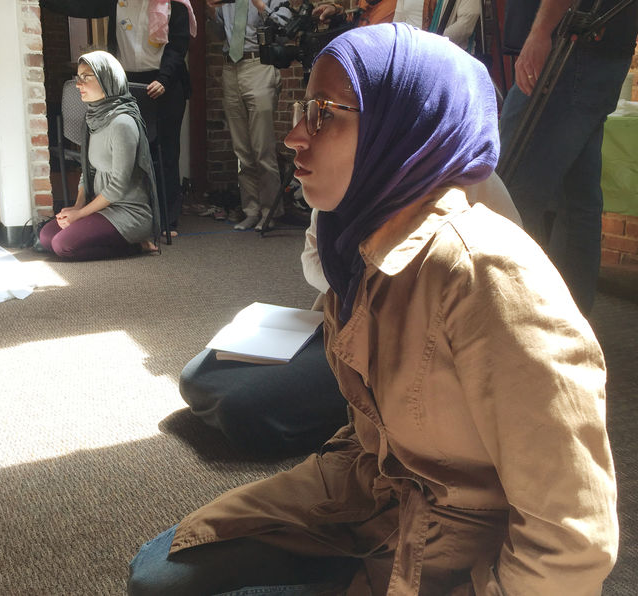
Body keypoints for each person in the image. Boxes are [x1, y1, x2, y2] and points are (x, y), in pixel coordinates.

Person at [128, 24, 617, 595]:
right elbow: (373, 429)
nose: (293, 137)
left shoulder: (487, 272)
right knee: (158, 575)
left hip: (461, 548)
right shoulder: (358, 237)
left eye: (323, 113)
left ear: (400, 123)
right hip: (374, 496)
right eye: (301, 110)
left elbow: (573, 538)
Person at [179, 172, 520, 459]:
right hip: (344, 320)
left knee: (240, 410)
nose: (295, 139)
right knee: (197, 375)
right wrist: (352, 279)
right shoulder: (342, 166)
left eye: (324, 113)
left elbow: (498, 286)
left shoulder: (463, 177)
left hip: (403, 350)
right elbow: (312, 259)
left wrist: (360, 279)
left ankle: (363, 419)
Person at [498, 0, 638, 315]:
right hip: (595, 41)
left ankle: (511, 334)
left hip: (572, 41)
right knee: (577, 205)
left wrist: (542, 29)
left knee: (508, 200)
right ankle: (567, 336)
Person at [39, 51, 161, 259]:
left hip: (127, 213)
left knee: (63, 245)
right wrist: (77, 206)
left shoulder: (123, 123)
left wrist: (80, 215)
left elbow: (118, 186)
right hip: (100, 207)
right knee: (47, 236)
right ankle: (100, 233)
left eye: (86, 77)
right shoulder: (94, 118)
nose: (78, 84)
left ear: (107, 80)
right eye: (78, 77)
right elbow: (89, 171)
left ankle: (137, 245)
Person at [205, 0, 291, 231]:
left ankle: (270, 211)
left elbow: (284, 27)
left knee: (263, 148)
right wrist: (211, 12)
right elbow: (218, 35)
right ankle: (251, 210)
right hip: (231, 69)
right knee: (241, 149)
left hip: (259, 65)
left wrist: (259, 5)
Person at [115, 0, 196, 237]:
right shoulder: (118, 3)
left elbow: (178, 47)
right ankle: (138, 214)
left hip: (165, 83)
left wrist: (164, 78)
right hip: (128, 81)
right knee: (133, 151)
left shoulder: (176, 6)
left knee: (166, 151)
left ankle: (167, 220)